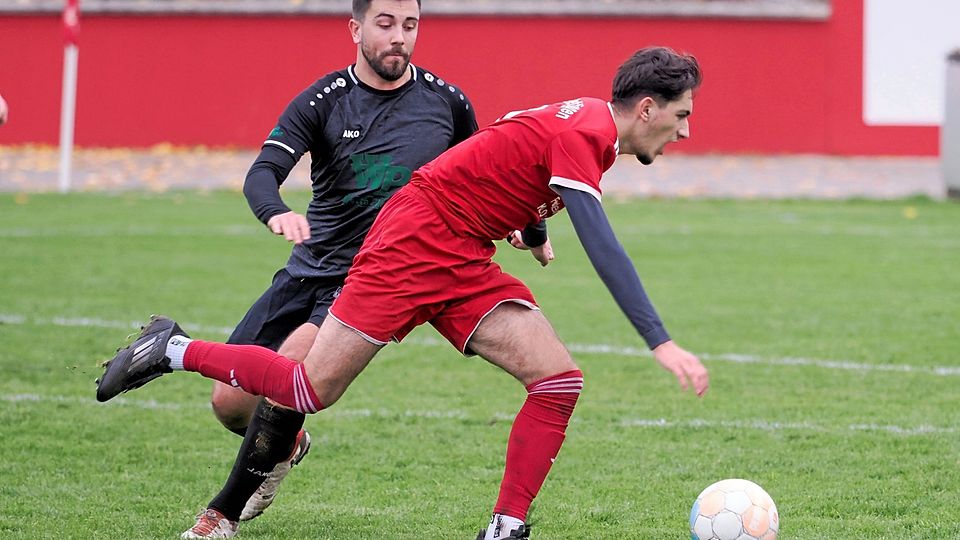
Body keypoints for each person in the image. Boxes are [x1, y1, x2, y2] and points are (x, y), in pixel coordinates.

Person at [98, 45, 709, 540]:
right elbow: (603, 244)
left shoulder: (585, 124)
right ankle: (170, 348)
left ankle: (506, 526)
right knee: (310, 388)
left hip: (463, 255)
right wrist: (660, 341)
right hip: (416, 241)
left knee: (557, 380)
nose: (686, 132)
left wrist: (533, 228)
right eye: (683, 116)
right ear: (648, 108)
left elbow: (509, 147)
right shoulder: (586, 134)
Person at [149, 0, 531, 536]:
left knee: (289, 375)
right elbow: (263, 172)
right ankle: (289, 442)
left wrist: (512, 222)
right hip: (307, 269)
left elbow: (481, 179)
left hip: (373, 277)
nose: (399, 37)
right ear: (355, 28)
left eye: (410, 25)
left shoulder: (447, 102)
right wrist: (276, 210)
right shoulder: (325, 100)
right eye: (385, 24)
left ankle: (219, 517)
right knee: (230, 403)